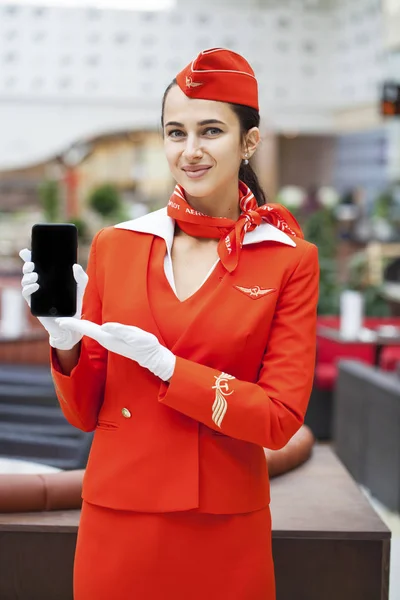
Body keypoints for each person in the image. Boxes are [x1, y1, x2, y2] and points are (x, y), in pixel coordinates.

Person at [20, 48, 319, 600]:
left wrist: (168, 368)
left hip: (225, 524)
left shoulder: (288, 260)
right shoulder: (118, 245)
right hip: (117, 517)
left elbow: (279, 419)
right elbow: (85, 413)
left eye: (210, 131)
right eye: (175, 132)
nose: (191, 151)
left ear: (248, 141)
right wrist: (65, 342)